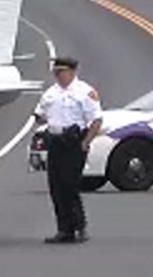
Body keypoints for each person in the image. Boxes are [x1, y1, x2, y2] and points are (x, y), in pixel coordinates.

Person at [33, 56, 103, 243]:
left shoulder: (85, 92)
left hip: (74, 142)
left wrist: (85, 143)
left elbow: (96, 120)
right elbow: (39, 115)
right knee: (56, 187)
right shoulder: (50, 93)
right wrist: (43, 121)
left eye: (61, 72)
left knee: (69, 184)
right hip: (56, 142)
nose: (58, 76)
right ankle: (64, 229)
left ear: (72, 72)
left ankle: (80, 226)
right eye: (56, 72)